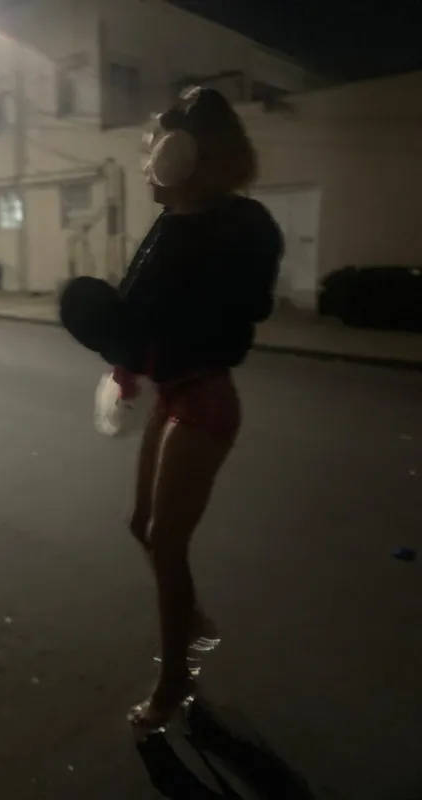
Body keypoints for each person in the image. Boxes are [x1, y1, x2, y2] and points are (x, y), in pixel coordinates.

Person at [60, 86, 283, 732]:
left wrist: (145, 333)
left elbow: (241, 309)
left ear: (188, 153)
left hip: (206, 396)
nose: (150, 156)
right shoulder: (170, 224)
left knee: (165, 541)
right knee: (142, 524)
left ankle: (174, 679)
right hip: (172, 391)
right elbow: (139, 305)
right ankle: (192, 620)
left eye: (162, 143)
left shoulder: (242, 225)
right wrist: (123, 351)